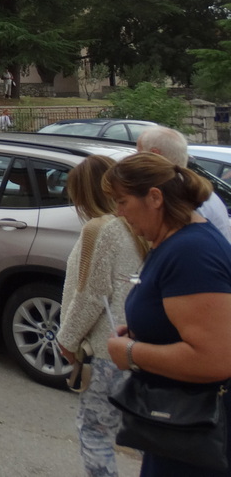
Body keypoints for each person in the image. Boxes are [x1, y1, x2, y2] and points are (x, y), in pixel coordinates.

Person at [103, 152, 231, 477]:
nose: (118, 213)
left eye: (122, 202)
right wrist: (145, 332)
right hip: (177, 425)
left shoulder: (191, 251)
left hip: (196, 433)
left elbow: (214, 359)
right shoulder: (174, 241)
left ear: (155, 197)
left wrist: (131, 352)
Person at [56, 155, 148, 477]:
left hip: (106, 349)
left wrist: (66, 339)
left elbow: (91, 294)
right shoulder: (134, 228)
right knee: (142, 434)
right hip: (137, 345)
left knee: (94, 431)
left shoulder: (100, 229)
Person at [137, 125, 231, 243]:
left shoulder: (183, 197)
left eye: (138, 152)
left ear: (155, 154)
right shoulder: (197, 191)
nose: (134, 158)